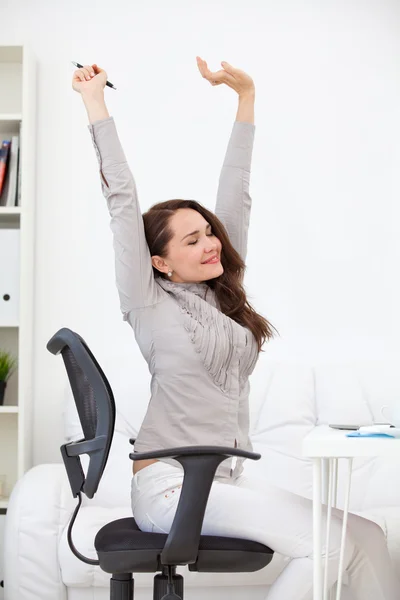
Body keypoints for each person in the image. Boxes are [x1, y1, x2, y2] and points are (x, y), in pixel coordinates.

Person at [72, 58, 399, 599]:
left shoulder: (221, 296)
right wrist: (95, 104)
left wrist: (245, 99)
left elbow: (236, 195)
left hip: (221, 482)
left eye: (209, 233)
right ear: (158, 262)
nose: (210, 244)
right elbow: (122, 201)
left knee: (365, 534)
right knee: (332, 545)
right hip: (170, 489)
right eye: (192, 240)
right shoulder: (146, 300)